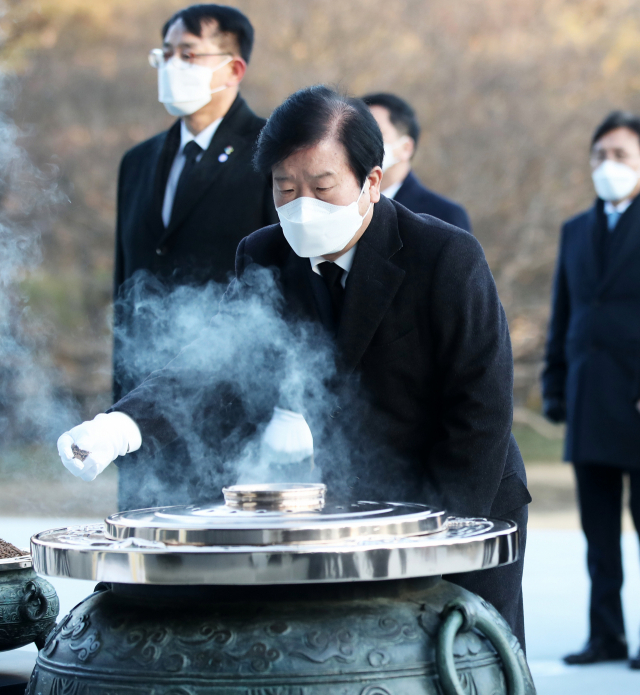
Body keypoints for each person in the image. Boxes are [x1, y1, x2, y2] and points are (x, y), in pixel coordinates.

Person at [58, 86, 531, 648]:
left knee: (467, 658)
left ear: (371, 183)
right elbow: (219, 367)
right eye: (286, 188)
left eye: (322, 187)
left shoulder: (445, 256)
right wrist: (120, 427)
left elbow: (479, 410)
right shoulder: (266, 255)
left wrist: (439, 536)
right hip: (352, 507)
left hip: (463, 500)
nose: (302, 206)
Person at [113, 4, 276, 508]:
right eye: (164, 54)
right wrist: (119, 408)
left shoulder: (270, 154)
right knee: (140, 563)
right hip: (142, 413)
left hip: (235, 410)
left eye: (188, 53)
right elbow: (126, 286)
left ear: (233, 67)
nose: (171, 65)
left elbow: (277, 287)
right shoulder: (138, 162)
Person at [542, 110, 640, 669]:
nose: (609, 166)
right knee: (597, 536)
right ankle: (606, 636)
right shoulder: (575, 229)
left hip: (635, 396)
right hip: (588, 395)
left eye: (622, 155)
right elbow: (565, 310)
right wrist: (554, 385)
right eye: (600, 155)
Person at [362, 92, 472, 232]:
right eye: (358, 134)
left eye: (375, 134)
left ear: (406, 148)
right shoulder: (336, 203)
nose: (363, 143)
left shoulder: (444, 215)